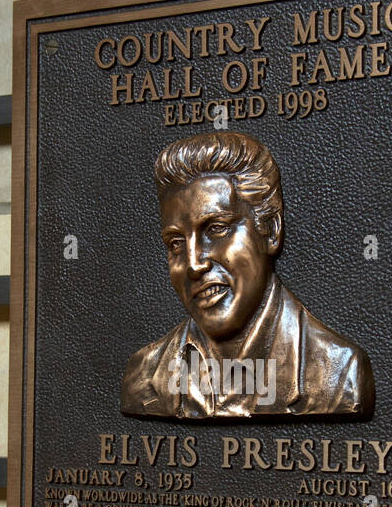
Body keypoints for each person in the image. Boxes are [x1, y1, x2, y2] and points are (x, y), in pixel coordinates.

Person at [120, 130, 374, 419]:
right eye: (176, 243)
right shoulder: (145, 375)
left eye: (216, 229)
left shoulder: (338, 374)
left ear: (271, 231)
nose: (193, 264)